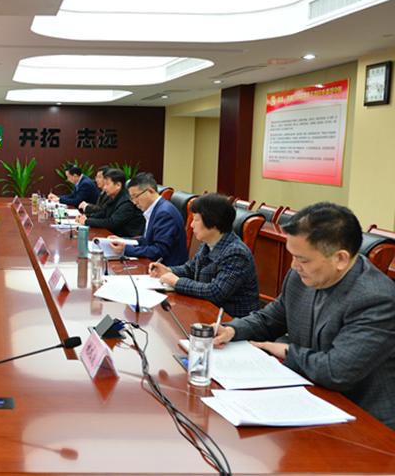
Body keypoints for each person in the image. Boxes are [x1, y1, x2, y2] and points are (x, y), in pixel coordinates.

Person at [214, 202, 395, 430]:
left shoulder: (376, 298)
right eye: (292, 256)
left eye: (303, 259)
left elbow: (337, 371)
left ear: (340, 258)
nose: (293, 266)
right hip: (311, 396)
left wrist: (286, 350)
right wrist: (232, 330)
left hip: (364, 421)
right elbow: (272, 318)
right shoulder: (302, 277)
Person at [149, 193, 259, 318]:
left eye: (196, 220)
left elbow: (216, 292)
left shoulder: (236, 253)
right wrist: (168, 270)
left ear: (213, 221)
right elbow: (190, 269)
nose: (191, 225)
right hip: (206, 311)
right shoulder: (208, 242)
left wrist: (177, 282)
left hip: (230, 320)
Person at [112, 172, 187, 265]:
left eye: (136, 196)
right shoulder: (155, 208)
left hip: (167, 268)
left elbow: (159, 250)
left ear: (150, 191)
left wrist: (126, 249)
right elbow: (147, 240)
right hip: (154, 263)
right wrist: (122, 241)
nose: (134, 202)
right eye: (132, 198)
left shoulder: (164, 213)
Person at [75, 168, 144, 237]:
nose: (104, 188)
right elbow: (103, 213)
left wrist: (87, 221)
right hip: (113, 235)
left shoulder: (127, 202)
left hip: (126, 238)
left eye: (107, 184)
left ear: (118, 185)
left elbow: (112, 223)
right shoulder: (113, 196)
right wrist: (86, 217)